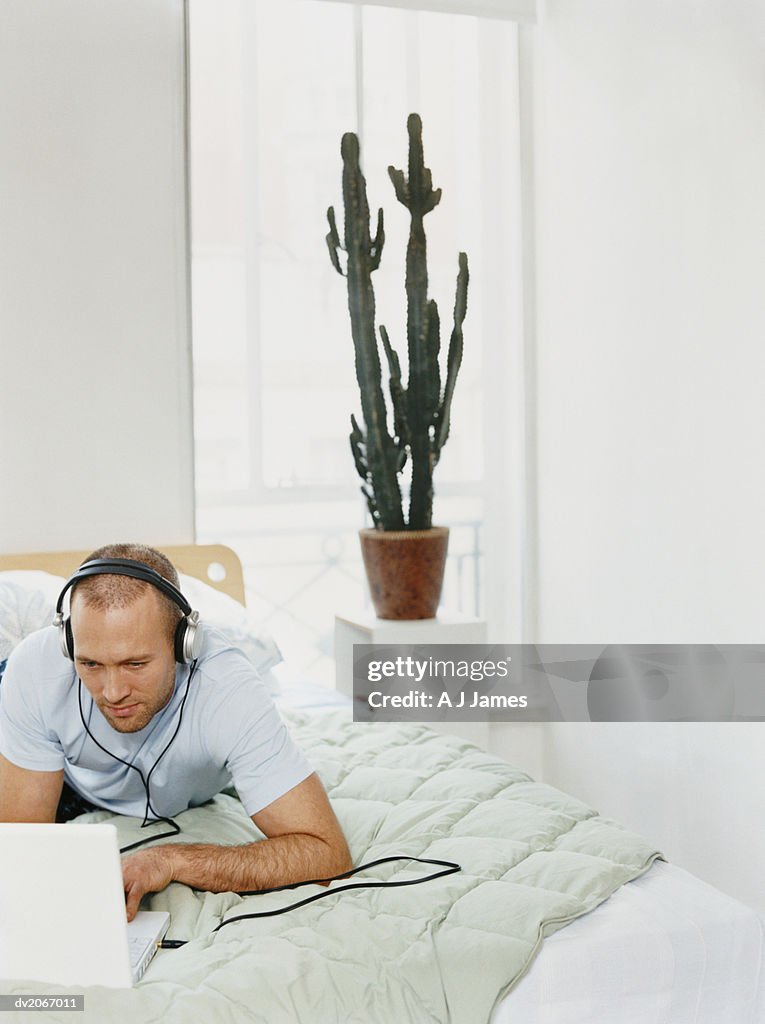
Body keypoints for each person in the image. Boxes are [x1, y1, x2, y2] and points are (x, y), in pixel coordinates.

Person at [0, 543, 352, 920]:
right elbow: (22, 851)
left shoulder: (229, 689)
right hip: (64, 777)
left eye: (135, 663)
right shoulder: (36, 670)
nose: (113, 691)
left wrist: (173, 860)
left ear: (184, 644)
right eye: (91, 664)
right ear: (68, 644)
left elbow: (326, 852)